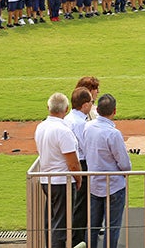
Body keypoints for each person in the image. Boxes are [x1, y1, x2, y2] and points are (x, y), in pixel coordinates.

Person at [34, 92, 82, 248]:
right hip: (61, 182)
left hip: (46, 179)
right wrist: (79, 179)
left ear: (48, 107)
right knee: (61, 224)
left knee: (52, 221)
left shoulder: (41, 127)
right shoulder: (63, 131)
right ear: (66, 109)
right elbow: (73, 163)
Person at [84, 93, 132, 248]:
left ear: (97, 109)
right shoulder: (113, 133)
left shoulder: (88, 127)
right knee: (112, 229)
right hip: (113, 186)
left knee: (92, 227)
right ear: (115, 111)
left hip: (94, 184)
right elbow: (125, 164)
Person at [65, 86, 94, 248]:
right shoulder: (81, 123)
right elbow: (86, 146)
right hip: (81, 163)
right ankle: (78, 240)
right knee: (81, 204)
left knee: (75, 202)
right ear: (84, 105)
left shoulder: (69, 118)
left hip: (70, 163)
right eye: (91, 102)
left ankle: (75, 237)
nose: (92, 105)